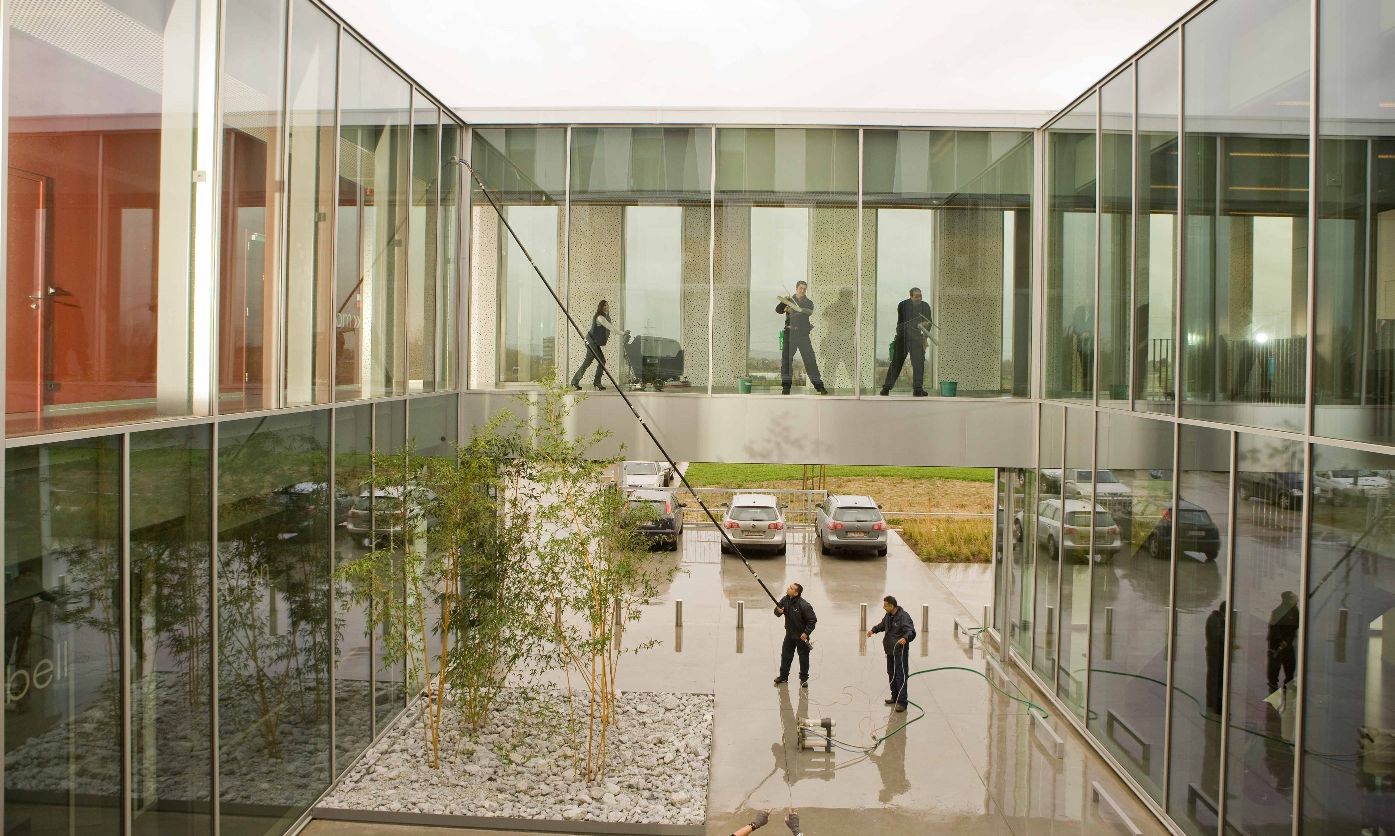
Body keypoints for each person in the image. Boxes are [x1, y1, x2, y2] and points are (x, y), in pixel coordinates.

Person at [776, 281, 828, 395]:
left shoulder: (808, 303)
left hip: (803, 335)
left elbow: (807, 312)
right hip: (790, 333)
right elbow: (778, 310)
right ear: (796, 288)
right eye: (801, 288)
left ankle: (819, 386)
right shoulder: (789, 300)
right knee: (786, 361)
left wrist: (793, 310)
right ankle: (786, 387)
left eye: (805, 289)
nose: (803, 290)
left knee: (810, 360)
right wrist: (784, 305)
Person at [880, 288, 933, 396]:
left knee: (919, 364)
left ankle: (918, 389)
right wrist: (919, 324)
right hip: (903, 338)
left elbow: (929, 323)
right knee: (896, 363)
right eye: (916, 296)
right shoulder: (903, 305)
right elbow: (903, 324)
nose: (919, 298)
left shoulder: (925, 306)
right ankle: (886, 388)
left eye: (920, 296)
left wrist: (925, 336)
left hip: (917, 339)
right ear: (911, 296)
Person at [867, 595, 915, 711]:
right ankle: (894, 697)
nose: (883, 607)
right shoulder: (888, 616)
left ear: (892, 606)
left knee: (900, 675)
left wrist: (905, 638)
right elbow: (883, 625)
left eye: (885, 605)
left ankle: (902, 703)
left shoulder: (903, 617)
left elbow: (911, 631)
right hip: (890, 651)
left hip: (900, 652)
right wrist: (873, 630)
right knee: (891, 673)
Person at [773, 582, 817, 687]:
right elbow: (777, 612)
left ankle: (804, 678)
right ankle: (783, 677)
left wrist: (806, 633)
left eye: (791, 588)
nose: (788, 588)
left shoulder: (804, 605)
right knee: (786, 656)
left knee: (803, 658)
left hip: (801, 636)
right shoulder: (785, 599)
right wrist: (778, 610)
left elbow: (812, 620)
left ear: (796, 593)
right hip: (789, 634)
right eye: (789, 587)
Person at [571, 300, 613, 391]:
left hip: (593, 342)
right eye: (604, 305)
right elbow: (611, 328)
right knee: (601, 361)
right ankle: (596, 382)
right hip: (591, 342)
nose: (606, 307)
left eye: (607, 305)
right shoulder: (600, 318)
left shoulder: (605, 317)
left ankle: (575, 382)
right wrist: (623, 333)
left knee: (590, 362)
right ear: (601, 307)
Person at [1266, 591, 1299, 694]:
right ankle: (1273, 685)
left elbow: (1296, 625)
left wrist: (1287, 641)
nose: (1296, 599)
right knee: (1275, 666)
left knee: (1290, 665)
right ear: (1287, 600)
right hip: (1277, 644)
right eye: (1293, 598)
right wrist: (1280, 641)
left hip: (1288, 643)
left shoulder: (1294, 611)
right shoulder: (1278, 612)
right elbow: (1273, 628)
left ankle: (1288, 683)